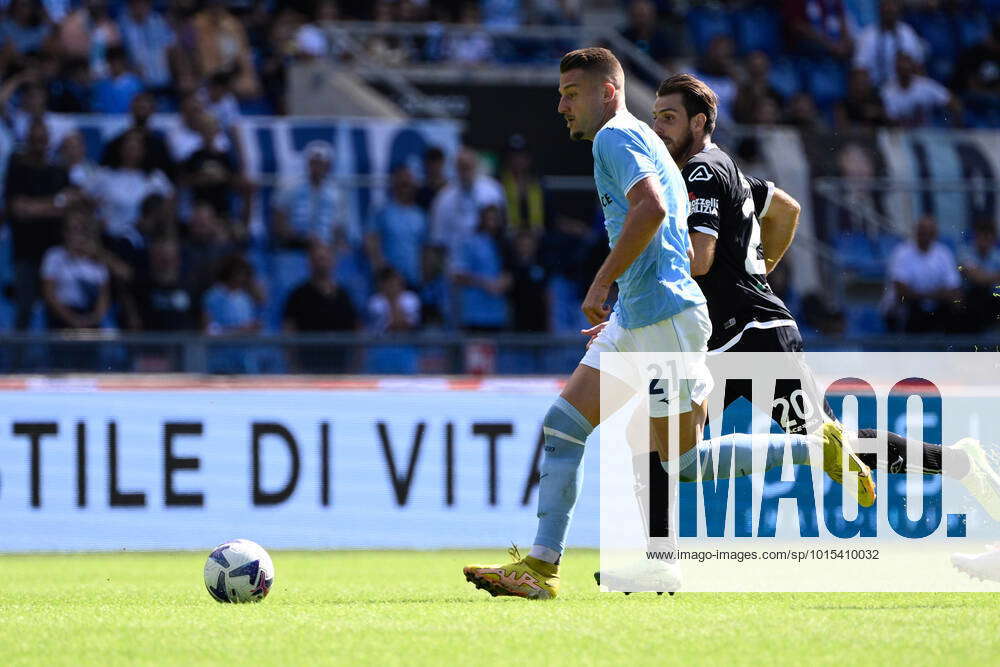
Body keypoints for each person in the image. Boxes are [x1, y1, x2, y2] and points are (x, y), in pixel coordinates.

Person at [639, 74, 998, 555]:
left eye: (668, 117)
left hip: (753, 336)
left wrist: (646, 285)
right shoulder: (726, 170)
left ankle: (959, 463)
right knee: (663, 442)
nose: (657, 126)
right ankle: (657, 559)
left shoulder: (700, 171)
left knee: (830, 443)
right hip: (720, 341)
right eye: (655, 116)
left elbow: (700, 259)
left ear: (699, 122)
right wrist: (760, 269)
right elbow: (786, 209)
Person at [463, 48, 715, 599]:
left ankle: (816, 447)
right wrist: (623, 304)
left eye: (571, 93)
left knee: (688, 463)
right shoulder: (636, 138)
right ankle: (540, 567)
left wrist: (601, 283)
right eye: (559, 94)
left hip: (665, 318)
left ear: (608, 92)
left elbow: (651, 210)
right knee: (563, 424)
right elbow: (665, 229)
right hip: (642, 314)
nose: (561, 106)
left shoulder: (614, 137)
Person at [4, 118, 74, 330]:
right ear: (28, 140)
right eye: (35, 138)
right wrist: (53, 204)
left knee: (58, 311)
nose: (39, 141)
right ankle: (18, 363)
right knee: (24, 311)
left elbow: (67, 207)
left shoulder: (59, 171)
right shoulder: (17, 169)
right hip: (25, 252)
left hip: (56, 252)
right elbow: (17, 209)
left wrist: (35, 207)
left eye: (43, 137)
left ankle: (60, 362)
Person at [283, 240, 359, 372]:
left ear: (332, 262)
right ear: (310, 263)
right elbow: (288, 332)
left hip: (340, 369)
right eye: (317, 259)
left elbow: (357, 332)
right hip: (308, 369)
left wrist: (354, 368)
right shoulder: (298, 295)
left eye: (325, 259)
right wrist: (295, 368)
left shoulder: (344, 295)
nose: (321, 263)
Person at [884, 216, 961, 333]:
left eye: (929, 232)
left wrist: (927, 296)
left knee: (957, 307)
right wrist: (935, 295)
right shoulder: (901, 252)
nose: (925, 235)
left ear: (935, 234)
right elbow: (901, 291)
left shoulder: (944, 253)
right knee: (909, 307)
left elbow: (954, 289)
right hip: (907, 308)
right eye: (922, 231)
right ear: (916, 232)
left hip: (935, 306)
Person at [272, 140, 354, 248]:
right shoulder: (289, 188)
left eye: (321, 163)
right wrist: (298, 239)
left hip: (325, 248)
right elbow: (279, 220)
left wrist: (334, 244)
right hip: (294, 245)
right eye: (314, 163)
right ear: (307, 163)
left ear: (328, 165)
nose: (317, 167)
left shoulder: (338, 193)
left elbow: (339, 227)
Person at [428, 145, 503, 261]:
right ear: (455, 168)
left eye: (468, 166)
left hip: (488, 263)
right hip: (455, 264)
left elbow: (501, 229)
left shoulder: (493, 190)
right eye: (462, 167)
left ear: (476, 166)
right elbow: (438, 238)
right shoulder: (443, 198)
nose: (465, 171)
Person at [41, 211, 110, 330]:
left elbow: (104, 297)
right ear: (65, 233)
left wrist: (93, 319)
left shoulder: (97, 260)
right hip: (61, 318)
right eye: (73, 229)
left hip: (90, 319)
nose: (77, 234)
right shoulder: (54, 256)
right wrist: (72, 319)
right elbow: (49, 294)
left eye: (81, 229)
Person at [364, 164, 426, 288]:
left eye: (407, 184)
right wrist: (381, 270)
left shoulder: (421, 216)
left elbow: (425, 250)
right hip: (387, 282)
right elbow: (371, 242)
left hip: (413, 281)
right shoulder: (381, 211)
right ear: (394, 185)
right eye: (401, 183)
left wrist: (424, 277)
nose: (404, 187)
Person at [852, 0, 924, 87]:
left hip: (904, 89)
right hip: (877, 90)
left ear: (898, 9)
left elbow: (918, 65)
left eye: (892, 6)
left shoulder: (907, 33)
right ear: (879, 9)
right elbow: (860, 69)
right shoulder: (867, 36)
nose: (889, 9)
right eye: (886, 6)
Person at [958, 218, 1000, 332]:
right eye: (981, 236)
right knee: (979, 293)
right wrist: (994, 277)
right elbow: (977, 278)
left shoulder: (997, 256)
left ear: (993, 238)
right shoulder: (965, 253)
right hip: (970, 300)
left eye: (987, 236)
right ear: (975, 237)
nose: (984, 240)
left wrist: (986, 276)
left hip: (994, 301)